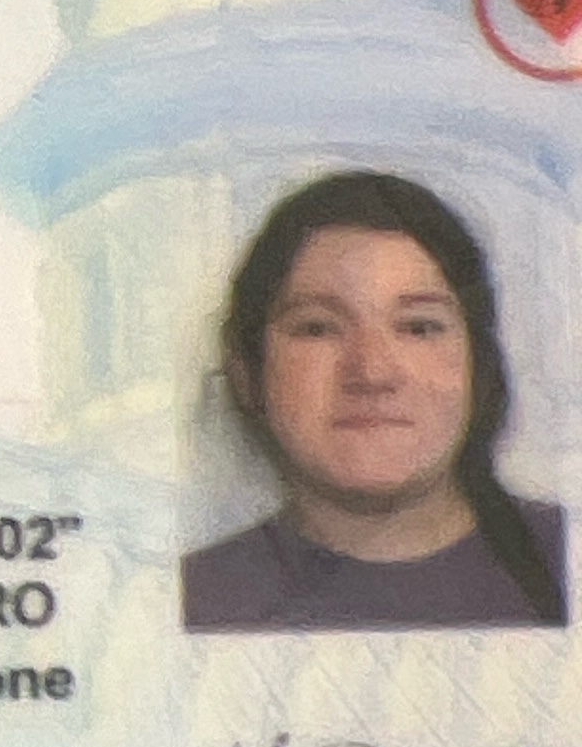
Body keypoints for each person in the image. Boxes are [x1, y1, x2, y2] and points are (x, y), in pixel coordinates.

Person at [184, 169, 568, 631]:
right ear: (248, 372)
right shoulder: (191, 598)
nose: (372, 373)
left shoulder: (565, 562)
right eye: (318, 328)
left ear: (478, 366)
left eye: (419, 327)